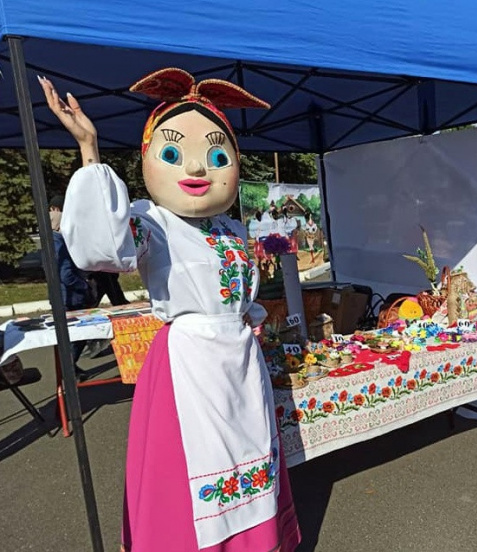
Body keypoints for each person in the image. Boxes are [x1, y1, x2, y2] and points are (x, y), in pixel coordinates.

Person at [40, 69, 300, 552]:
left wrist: (251, 321)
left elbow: (241, 296)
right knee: (190, 475)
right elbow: (102, 248)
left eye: (217, 156)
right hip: (187, 368)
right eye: (175, 154)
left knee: (251, 461)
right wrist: (89, 149)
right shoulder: (150, 223)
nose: (198, 169)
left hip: (241, 367)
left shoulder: (233, 231)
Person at [49, 195, 95, 379]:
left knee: (74, 336)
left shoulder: (54, 239)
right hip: (69, 296)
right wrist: (83, 285)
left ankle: (70, 369)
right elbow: (65, 274)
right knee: (77, 335)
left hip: (64, 295)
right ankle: (68, 371)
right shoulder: (57, 241)